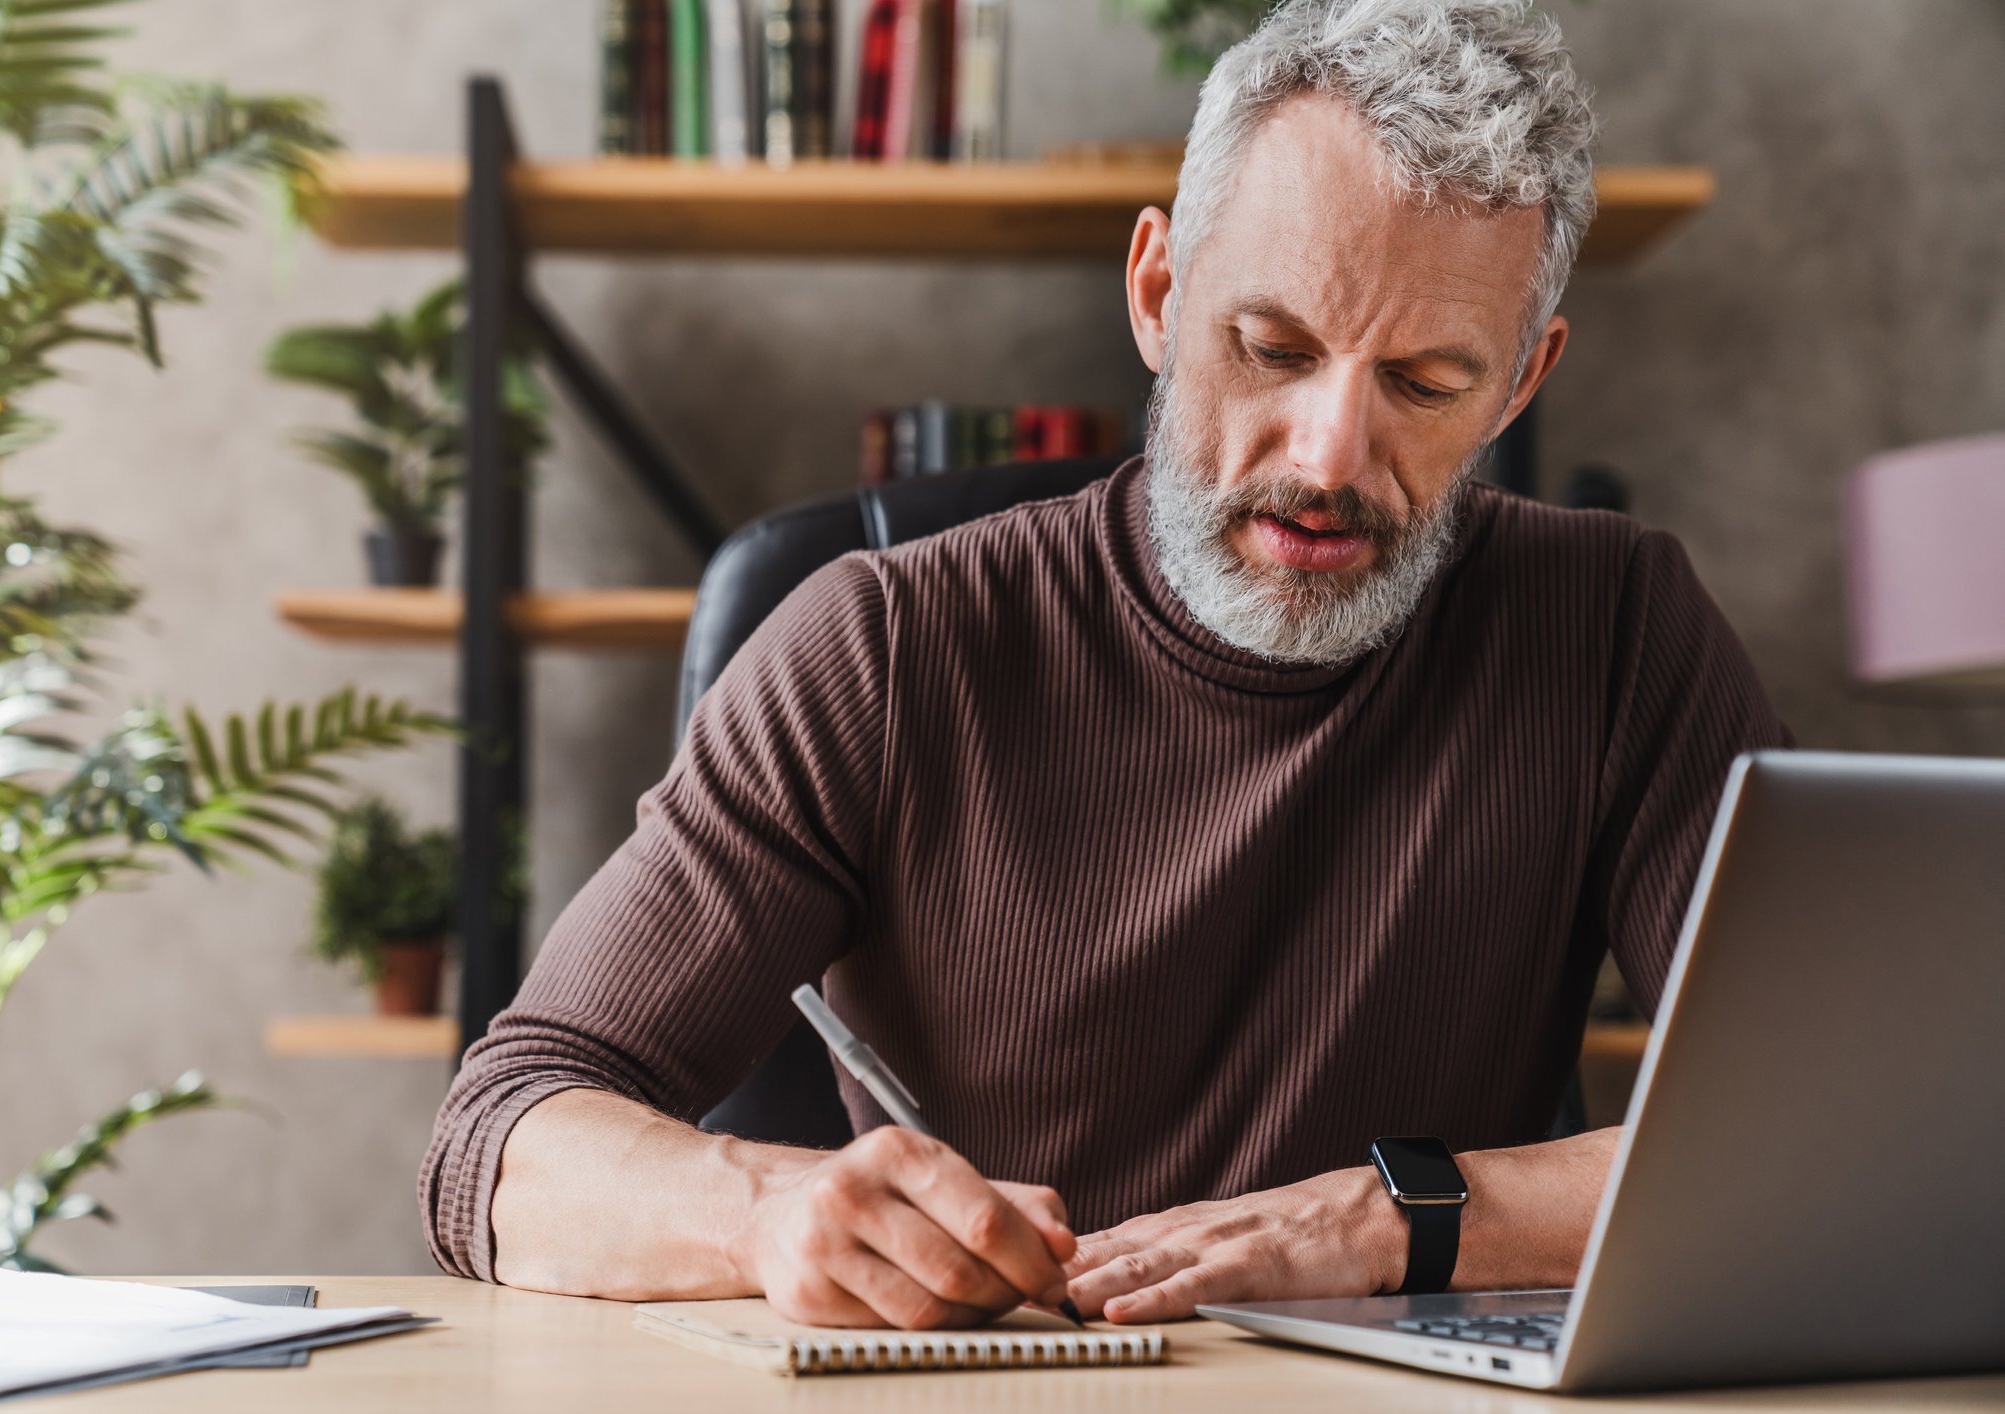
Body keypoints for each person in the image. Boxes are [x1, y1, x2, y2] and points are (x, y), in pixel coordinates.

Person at [422, 0, 1787, 1330]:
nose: (1327, 458)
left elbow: (1830, 1121)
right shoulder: (882, 645)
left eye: (1426, 384)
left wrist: (1384, 1220)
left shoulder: (1616, 628)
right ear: (1156, 291)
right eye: (1273, 347)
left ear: (1521, 385)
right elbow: (502, 1137)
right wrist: (767, 1209)